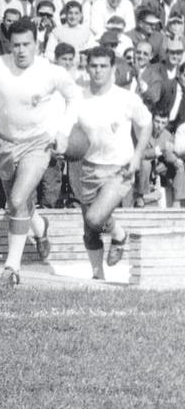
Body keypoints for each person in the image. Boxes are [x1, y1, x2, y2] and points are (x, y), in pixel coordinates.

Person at [0, 18, 81, 288]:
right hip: (5, 143)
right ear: (9, 46)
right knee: (18, 203)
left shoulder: (49, 71)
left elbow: (74, 97)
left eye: (26, 44)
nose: (21, 50)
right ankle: (40, 228)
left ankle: (11, 269)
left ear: (36, 44)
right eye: (16, 45)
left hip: (38, 144)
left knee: (17, 198)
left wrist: (62, 131)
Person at [71, 45, 151, 280]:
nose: (98, 71)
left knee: (95, 218)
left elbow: (145, 123)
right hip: (88, 167)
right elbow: (67, 129)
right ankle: (98, 276)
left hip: (120, 169)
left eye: (103, 66)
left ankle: (119, 234)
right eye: (93, 66)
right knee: (90, 229)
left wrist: (137, 156)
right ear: (87, 68)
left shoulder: (125, 98)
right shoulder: (78, 98)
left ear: (113, 68)